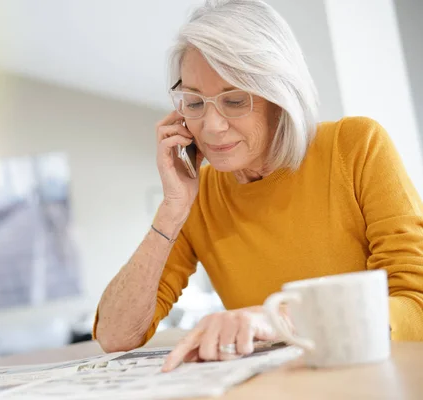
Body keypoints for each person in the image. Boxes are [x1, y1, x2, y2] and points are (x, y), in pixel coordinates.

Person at [93, 0, 423, 371]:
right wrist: (171, 211)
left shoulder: (356, 145)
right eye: (195, 102)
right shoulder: (196, 195)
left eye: (234, 100)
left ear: (280, 96)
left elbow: (415, 302)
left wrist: (277, 320)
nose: (211, 126)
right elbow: (115, 335)